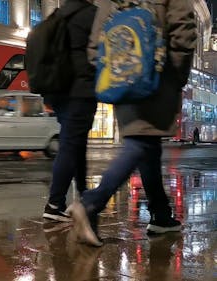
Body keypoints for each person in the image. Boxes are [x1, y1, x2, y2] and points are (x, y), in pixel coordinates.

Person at [67, 0, 197, 246]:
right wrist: (175, 78)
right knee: (140, 143)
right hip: (157, 77)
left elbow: (95, 43)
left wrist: (118, 70)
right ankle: (91, 203)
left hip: (121, 75)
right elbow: (183, 34)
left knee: (146, 144)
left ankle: (161, 215)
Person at [41, 0, 98, 222]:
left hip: (59, 91)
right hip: (80, 91)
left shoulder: (57, 15)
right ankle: (54, 204)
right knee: (69, 145)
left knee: (76, 142)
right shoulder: (91, 15)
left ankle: (83, 194)